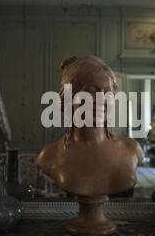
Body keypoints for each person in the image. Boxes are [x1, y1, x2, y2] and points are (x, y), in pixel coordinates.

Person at [37, 55, 144, 197]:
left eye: (107, 93)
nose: (101, 100)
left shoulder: (132, 150)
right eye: (91, 91)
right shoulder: (49, 156)